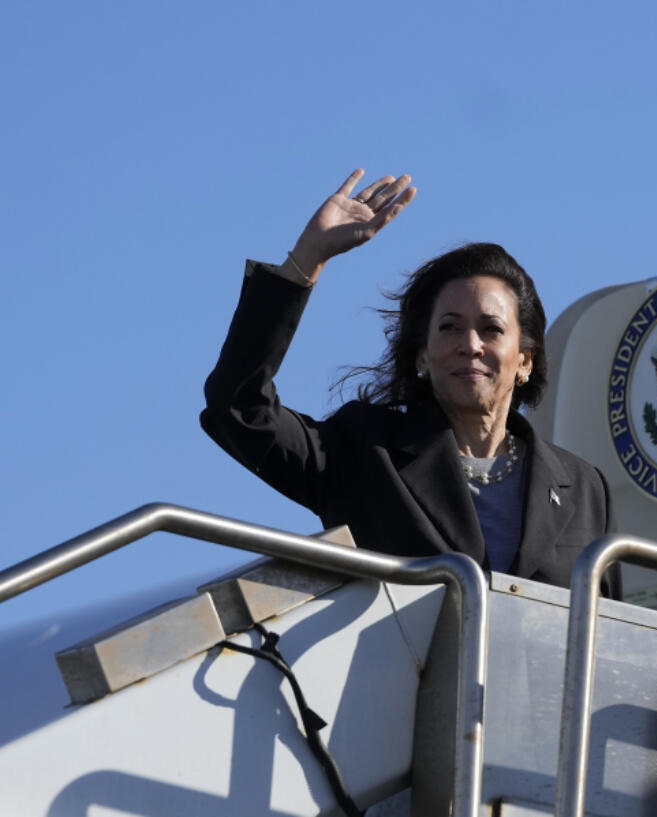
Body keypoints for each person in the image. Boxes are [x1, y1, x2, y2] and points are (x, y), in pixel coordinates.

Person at [202, 169, 618, 596]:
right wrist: (308, 257)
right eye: (449, 328)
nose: (469, 345)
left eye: (491, 329)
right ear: (422, 355)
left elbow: (608, 636)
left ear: (525, 360)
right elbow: (237, 407)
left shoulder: (584, 488)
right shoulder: (363, 453)